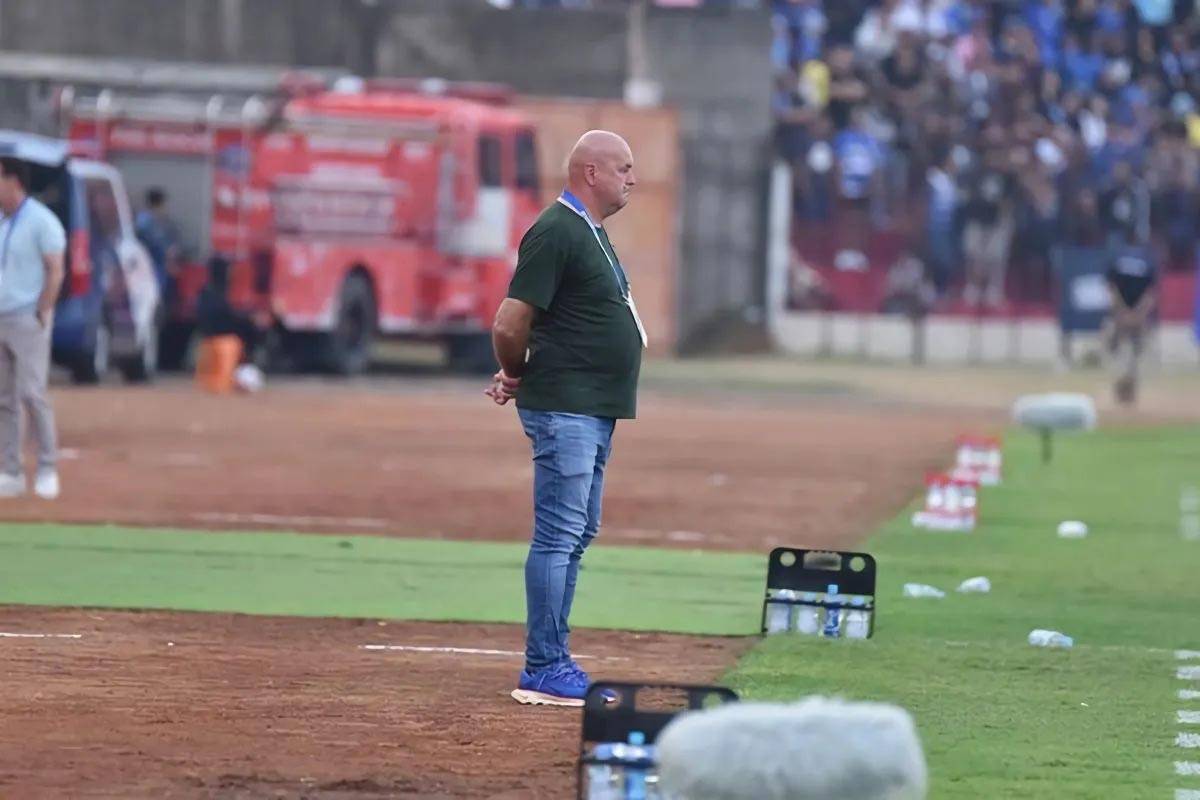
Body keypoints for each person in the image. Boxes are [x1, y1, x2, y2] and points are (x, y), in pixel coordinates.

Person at [487, 130, 644, 707]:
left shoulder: (589, 232)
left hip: (592, 407)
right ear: (591, 174)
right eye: (624, 168)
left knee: (577, 533)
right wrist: (517, 371)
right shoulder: (557, 231)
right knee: (559, 534)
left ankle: (552, 658)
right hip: (568, 408)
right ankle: (545, 665)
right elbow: (509, 323)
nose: (632, 179)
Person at [0, 157, 66, 499]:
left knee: (32, 393)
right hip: (0, 317)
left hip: (27, 317)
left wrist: (43, 309)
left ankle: (47, 467)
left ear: (14, 182)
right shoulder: (2, 221)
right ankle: (10, 471)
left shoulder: (42, 221)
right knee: (4, 399)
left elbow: (55, 267)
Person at [1104, 243, 1157, 404]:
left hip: (1126, 314)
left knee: (1127, 349)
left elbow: (1111, 289)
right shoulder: (1147, 260)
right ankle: (1125, 389)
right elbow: (1151, 292)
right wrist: (1134, 313)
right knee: (1127, 350)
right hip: (1130, 314)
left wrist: (1126, 313)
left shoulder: (1117, 259)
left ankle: (1127, 389)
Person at [135, 187, 181, 307]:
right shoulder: (146, 222)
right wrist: (168, 253)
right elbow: (155, 244)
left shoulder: (150, 220)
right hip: (151, 269)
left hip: (154, 268)